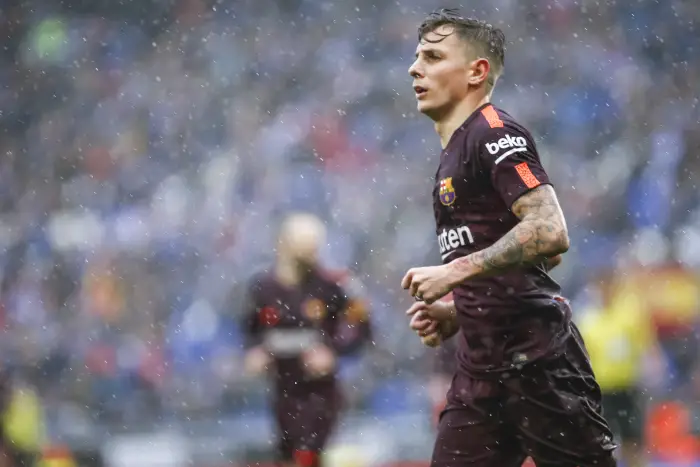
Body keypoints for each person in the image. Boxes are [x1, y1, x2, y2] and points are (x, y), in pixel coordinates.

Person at [401, 8, 617, 466]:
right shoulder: (453, 152)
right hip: (479, 370)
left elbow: (548, 232)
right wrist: (459, 309)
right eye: (417, 56)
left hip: (537, 362)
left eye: (434, 57)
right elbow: (530, 258)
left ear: (477, 71)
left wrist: (455, 272)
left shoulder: (494, 132)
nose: (414, 67)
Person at [241, 213, 371, 467]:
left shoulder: (335, 285)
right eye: (303, 243)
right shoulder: (261, 287)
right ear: (283, 243)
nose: (311, 250)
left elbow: (362, 328)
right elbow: (249, 329)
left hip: (320, 390)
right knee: (287, 454)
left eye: (314, 243)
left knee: (309, 453)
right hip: (282, 388)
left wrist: (334, 353)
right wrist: (255, 351)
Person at [579, 272, 657, 467]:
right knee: (601, 441)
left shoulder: (629, 315)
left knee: (633, 439)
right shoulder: (589, 320)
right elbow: (583, 358)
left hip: (627, 386)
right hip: (601, 390)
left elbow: (646, 346)